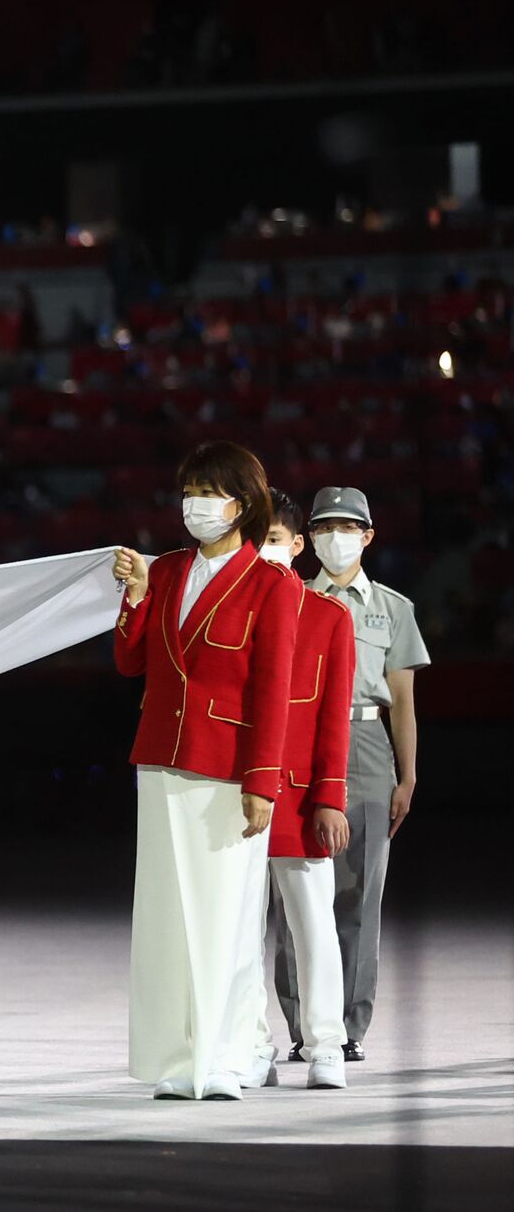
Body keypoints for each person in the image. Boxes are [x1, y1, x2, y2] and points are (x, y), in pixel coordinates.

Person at [111, 440, 299, 1101]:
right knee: (167, 917)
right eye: (189, 490)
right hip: (162, 760)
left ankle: (228, 1056)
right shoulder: (163, 571)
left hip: (228, 768)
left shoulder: (273, 583)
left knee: (225, 917)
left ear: (242, 503)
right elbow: (132, 664)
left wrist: (263, 780)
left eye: (209, 491)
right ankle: (175, 1056)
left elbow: (273, 688)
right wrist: (133, 599)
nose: (195, 503)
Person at [274, 485, 430, 1063]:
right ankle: (301, 1023)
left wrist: (407, 775)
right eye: (322, 528)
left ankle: (348, 1027)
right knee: (298, 885)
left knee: (362, 891)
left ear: (367, 535)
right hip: (302, 739)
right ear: (308, 538)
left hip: (366, 742)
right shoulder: (287, 598)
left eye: (346, 527)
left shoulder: (393, 608)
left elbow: (404, 701)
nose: (333, 538)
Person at [229, 489, 354, 1091]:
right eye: (257, 541)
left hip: (301, 799)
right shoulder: (232, 610)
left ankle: (326, 1042)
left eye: (275, 540)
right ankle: (256, 1044)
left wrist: (331, 796)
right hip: (238, 798)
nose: (265, 552)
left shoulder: (329, 618)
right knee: (243, 932)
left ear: (298, 546)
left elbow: (332, 716)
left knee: (314, 928)